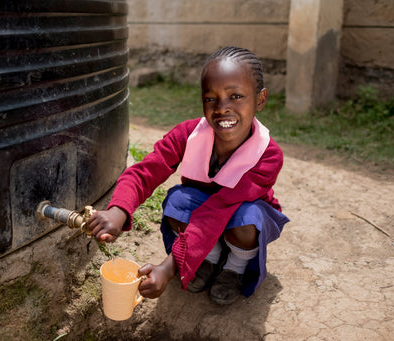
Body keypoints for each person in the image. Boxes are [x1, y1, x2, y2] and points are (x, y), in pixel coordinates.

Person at [88, 46, 289, 305]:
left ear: (260, 99)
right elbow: (145, 172)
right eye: (210, 98)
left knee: (247, 216)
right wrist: (118, 211)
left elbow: (218, 210)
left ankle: (234, 268)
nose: (222, 108)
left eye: (236, 96)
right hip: (204, 218)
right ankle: (209, 258)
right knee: (177, 200)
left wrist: (169, 267)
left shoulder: (268, 155)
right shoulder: (188, 135)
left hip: (242, 221)